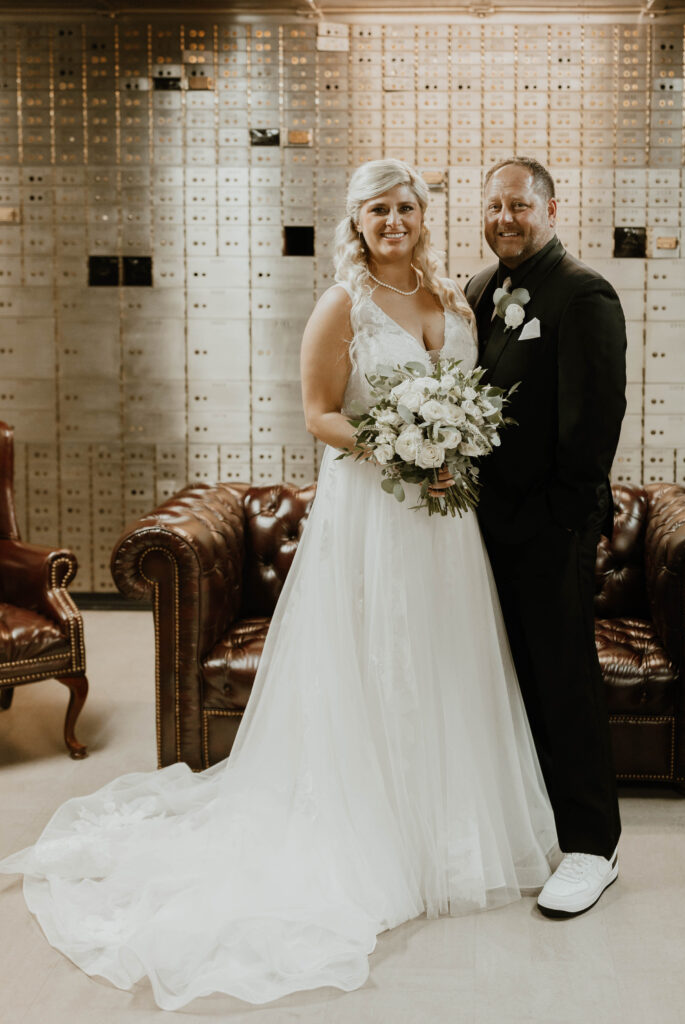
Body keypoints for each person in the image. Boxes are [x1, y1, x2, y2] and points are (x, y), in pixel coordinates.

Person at [0, 159, 557, 1011]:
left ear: (423, 215)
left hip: (447, 521)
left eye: (407, 206)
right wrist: (398, 446)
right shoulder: (344, 304)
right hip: (374, 511)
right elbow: (318, 414)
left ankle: (444, 836)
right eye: (378, 209)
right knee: (373, 667)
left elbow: (477, 397)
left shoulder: (457, 297)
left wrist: (453, 452)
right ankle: (375, 837)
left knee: (445, 663)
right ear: (357, 221)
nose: (394, 220)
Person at [465, 157, 627, 918]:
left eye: (519, 205)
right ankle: (528, 822)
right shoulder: (475, 291)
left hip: (548, 530)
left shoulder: (583, 292)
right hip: (477, 526)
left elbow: (593, 425)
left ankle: (592, 848)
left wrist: (564, 523)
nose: (505, 218)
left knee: (563, 681)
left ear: (552, 208)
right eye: (494, 205)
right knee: (502, 678)